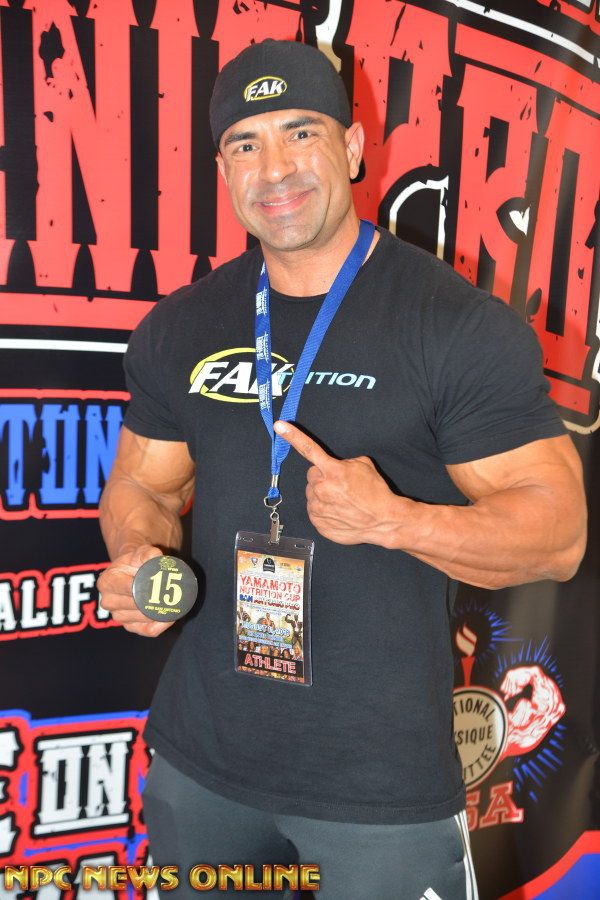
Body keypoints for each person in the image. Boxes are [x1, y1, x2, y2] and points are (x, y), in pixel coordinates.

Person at [97, 39, 587, 900]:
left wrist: (394, 518)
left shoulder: (452, 324)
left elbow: (558, 535)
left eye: (301, 132)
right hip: (203, 764)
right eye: (245, 144)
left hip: (380, 788)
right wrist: (139, 553)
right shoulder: (182, 326)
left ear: (353, 149)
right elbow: (144, 483)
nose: (274, 168)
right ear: (221, 170)